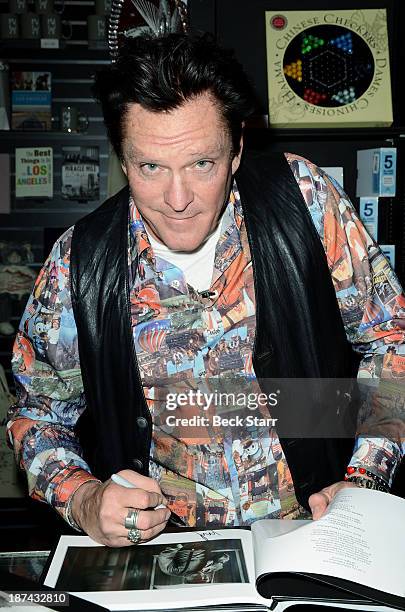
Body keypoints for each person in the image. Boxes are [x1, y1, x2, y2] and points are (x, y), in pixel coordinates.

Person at [7, 33, 405, 548]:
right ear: (123, 160)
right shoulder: (78, 263)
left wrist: (363, 481)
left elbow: (391, 338)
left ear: (237, 148)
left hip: (316, 539)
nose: (178, 200)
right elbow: (37, 413)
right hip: (165, 555)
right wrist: (83, 499)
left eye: (202, 164)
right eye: (151, 167)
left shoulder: (304, 201)